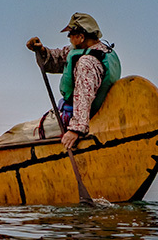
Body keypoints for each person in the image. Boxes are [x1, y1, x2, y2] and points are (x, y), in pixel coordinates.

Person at [26, 12, 121, 150]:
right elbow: (57, 59)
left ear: (81, 37)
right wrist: (41, 50)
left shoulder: (87, 63)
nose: (69, 37)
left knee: (22, 134)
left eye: (71, 34)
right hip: (84, 116)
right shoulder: (93, 50)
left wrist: (75, 130)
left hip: (75, 119)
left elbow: (84, 95)